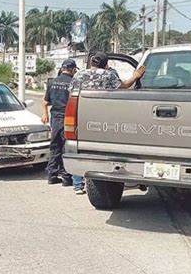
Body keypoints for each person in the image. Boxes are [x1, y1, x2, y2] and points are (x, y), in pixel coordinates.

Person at [41, 59, 85, 194]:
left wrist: (45, 115)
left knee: (55, 146)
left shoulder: (52, 82)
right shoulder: (73, 83)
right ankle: (67, 177)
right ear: (72, 69)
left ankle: (52, 175)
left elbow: (45, 101)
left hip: (55, 118)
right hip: (68, 119)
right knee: (67, 147)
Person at [70, 51, 146, 91]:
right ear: (106, 65)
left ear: (91, 62)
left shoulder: (78, 74)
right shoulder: (108, 75)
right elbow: (125, 85)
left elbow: (71, 91)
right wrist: (135, 76)